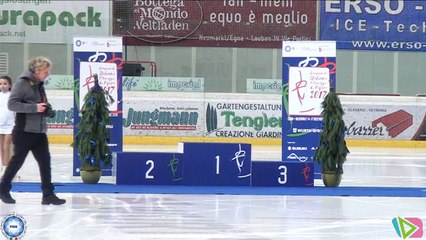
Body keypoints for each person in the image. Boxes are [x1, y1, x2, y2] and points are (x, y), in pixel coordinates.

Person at [0, 56, 66, 205]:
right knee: (17, 162)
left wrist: (46, 109)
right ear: (37, 70)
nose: (48, 73)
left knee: (45, 162)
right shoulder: (22, 83)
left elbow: (38, 103)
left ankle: (48, 194)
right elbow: (12, 104)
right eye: (46, 71)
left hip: (39, 131)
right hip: (24, 131)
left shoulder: (39, 84)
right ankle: (3, 189)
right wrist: (35, 108)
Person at [0, 76, 14, 179]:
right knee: (1, 148)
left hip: (11, 125)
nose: (2, 86)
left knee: (6, 146)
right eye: (0, 84)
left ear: (9, 85)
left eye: (5, 84)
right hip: (0, 124)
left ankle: (6, 169)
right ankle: (3, 166)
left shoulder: (12, 96)